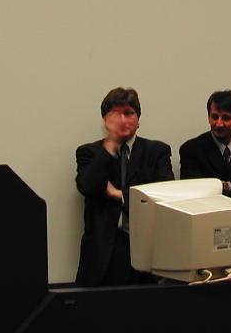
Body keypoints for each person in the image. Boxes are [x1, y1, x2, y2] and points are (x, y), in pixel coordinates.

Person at [75, 87, 174, 285]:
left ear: (138, 118)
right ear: (105, 119)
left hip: (147, 251)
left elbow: (165, 195)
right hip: (103, 254)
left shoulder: (157, 151)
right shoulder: (89, 152)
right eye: (116, 114)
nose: (123, 120)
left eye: (129, 113)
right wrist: (111, 143)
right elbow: (87, 186)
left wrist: (119, 194)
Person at [179, 90, 231, 213]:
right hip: (207, 222)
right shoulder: (191, 149)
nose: (219, 124)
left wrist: (223, 187)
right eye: (214, 117)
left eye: (226, 118)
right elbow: (194, 195)